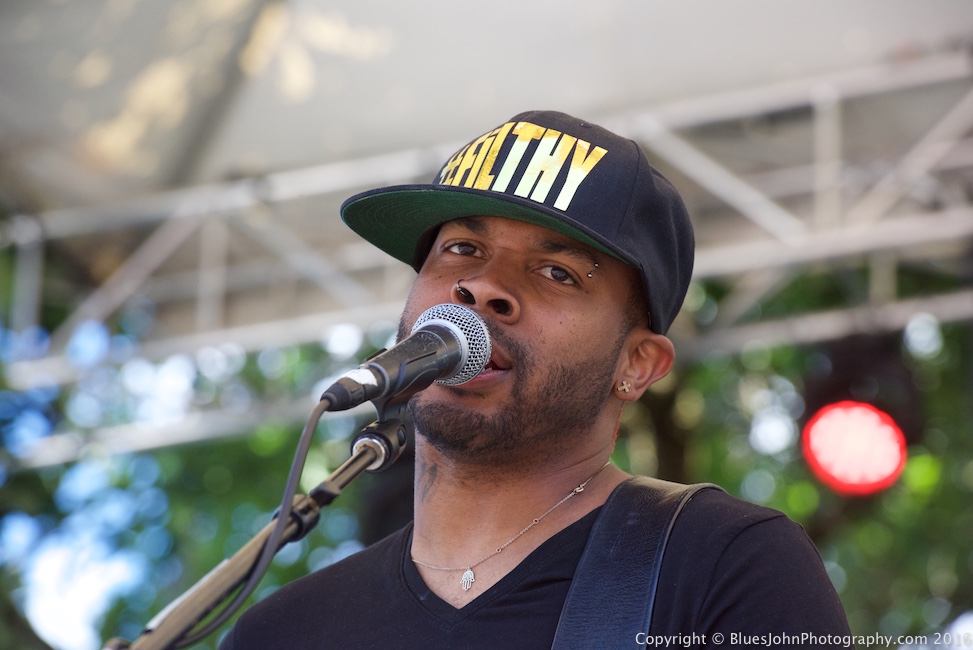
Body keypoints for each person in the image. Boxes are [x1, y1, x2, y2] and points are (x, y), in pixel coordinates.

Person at [220, 110, 851, 648]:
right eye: (462, 249)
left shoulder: (725, 563)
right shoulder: (282, 632)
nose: (485, 285)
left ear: (636, 366)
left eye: (557, 272)